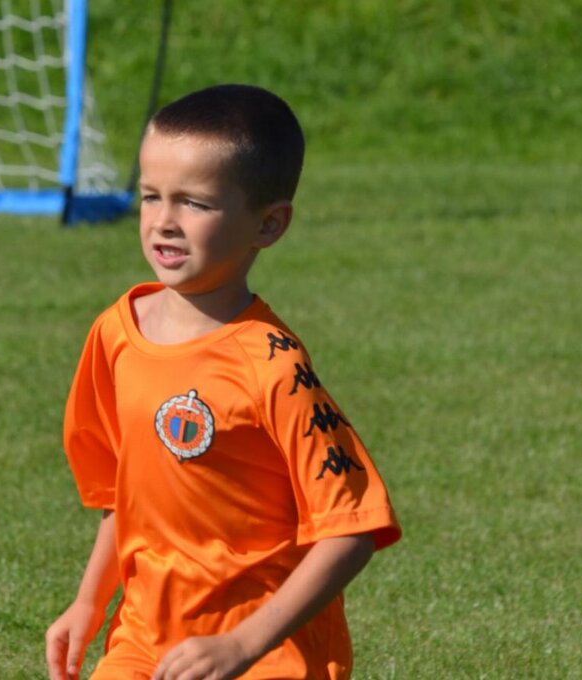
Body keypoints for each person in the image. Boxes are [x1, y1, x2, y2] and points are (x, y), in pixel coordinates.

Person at [44, 84, 402, 680]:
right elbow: (121, 494)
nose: (164, 222)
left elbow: (353, 531)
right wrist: (89, 601)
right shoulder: (116, 332)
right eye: (151, 196)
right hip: (145, 639)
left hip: (265, 653)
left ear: (268, 224)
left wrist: (242, 645)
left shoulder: (274, 365)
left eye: (195, 203)